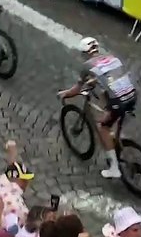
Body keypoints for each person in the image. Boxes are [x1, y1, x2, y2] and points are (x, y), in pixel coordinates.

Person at [58, 36, 136, 179]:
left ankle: (114, 169)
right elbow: (111, 75)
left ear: (85, 52)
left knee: (103, 127)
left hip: (119, 100)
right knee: (106, 99)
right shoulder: (112, 57)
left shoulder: (87, 65)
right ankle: (117, 137)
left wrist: (65, 94)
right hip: (131, 95)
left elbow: (77, 88)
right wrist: (96, 80)